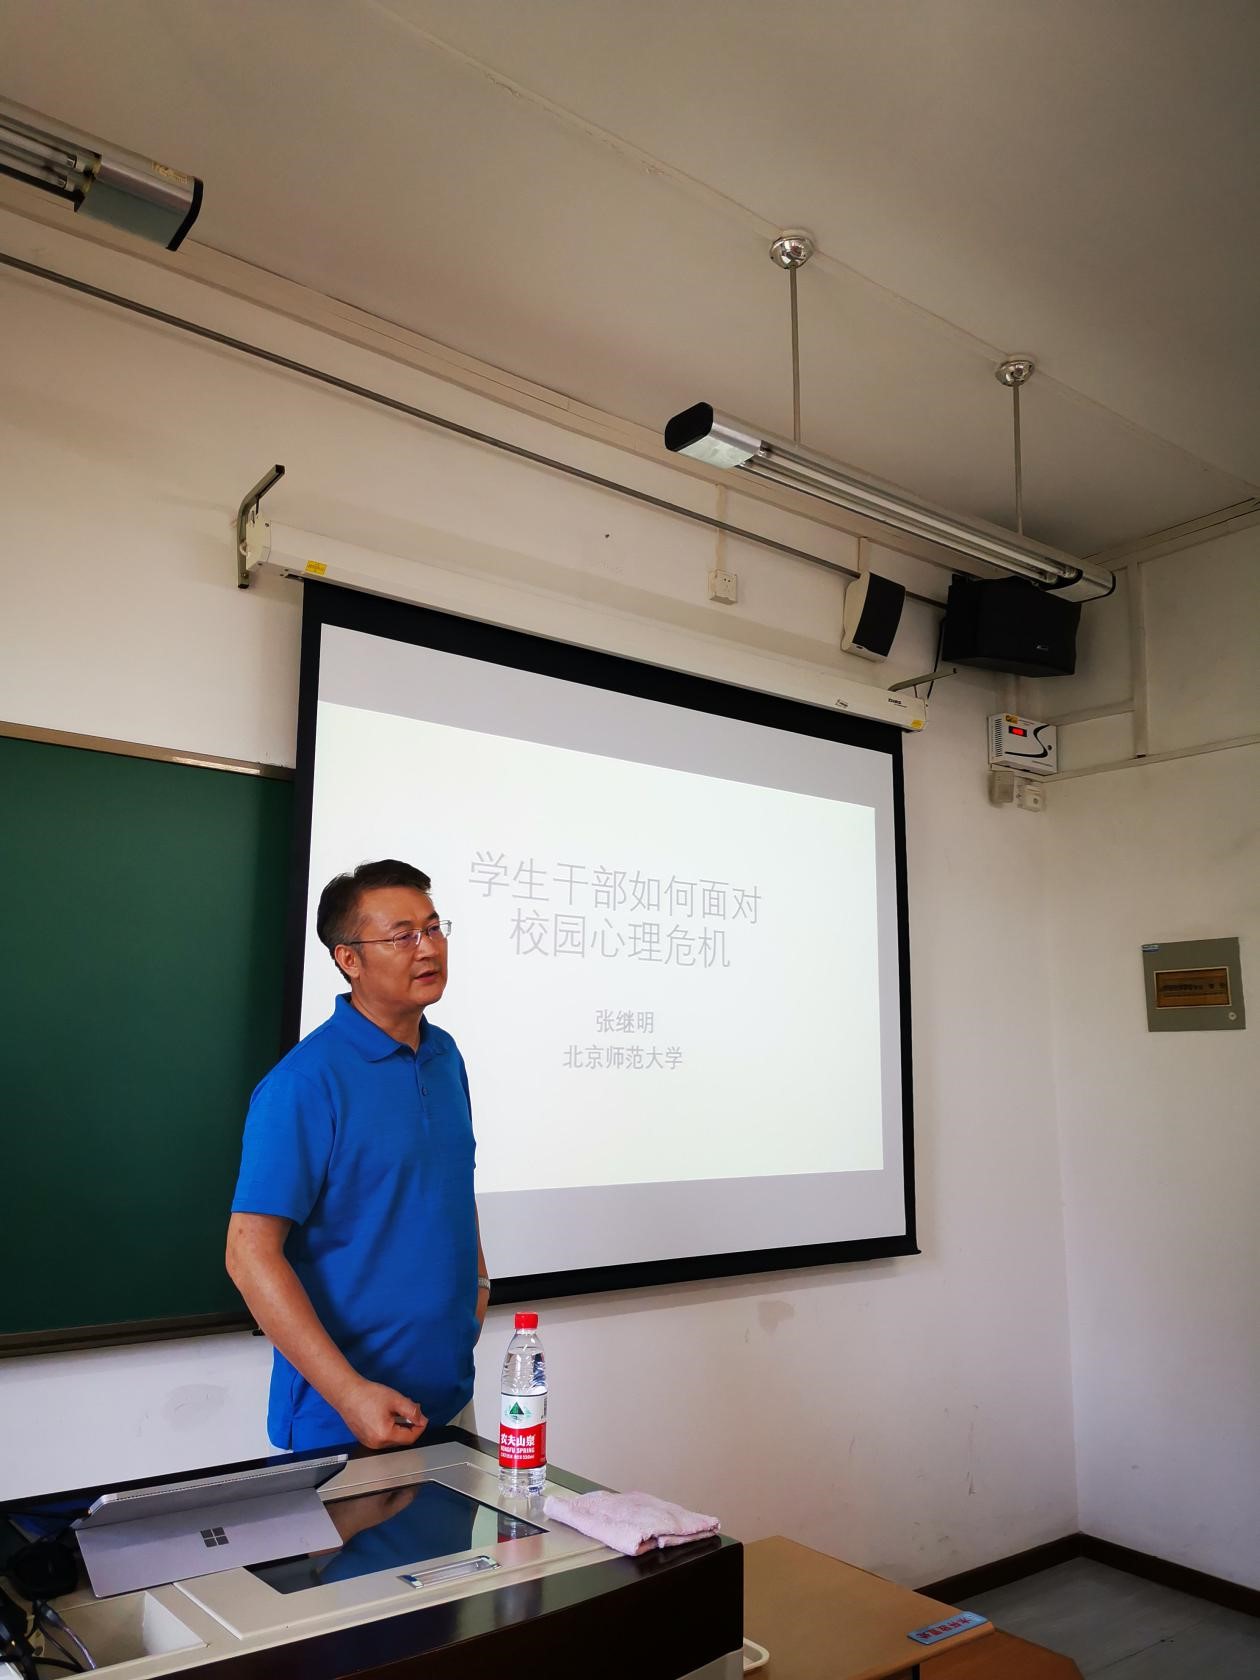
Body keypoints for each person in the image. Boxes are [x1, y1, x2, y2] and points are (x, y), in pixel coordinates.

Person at [226, 859, 489, 1451]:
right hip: (342, 1419)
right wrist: (349, 1394)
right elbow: (247, 1253)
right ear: (349, 959)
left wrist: (478, 1282)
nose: (428, 948)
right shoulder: (304, 1083)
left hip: (448, 1400)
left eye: (434, 928)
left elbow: (450, 1184)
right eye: (402, 936)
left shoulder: (445, 1057)